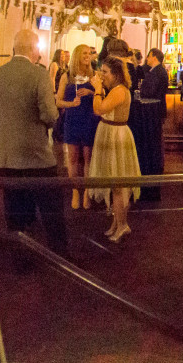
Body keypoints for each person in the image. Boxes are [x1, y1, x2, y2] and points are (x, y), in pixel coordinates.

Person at [0, 29, 66, 256]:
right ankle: (59, 254)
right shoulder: (39, 74)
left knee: (15, 209)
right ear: (33, 49)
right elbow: (50, 115)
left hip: (7, 155)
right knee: (51, 208)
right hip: (36, 154)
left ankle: (19, 257)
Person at [88, 56, 140, 242]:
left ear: (116, 74)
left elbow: (98, 109)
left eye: (105, 72)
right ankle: (116, 223)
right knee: (114, 184)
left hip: (116, 136)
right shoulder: (115, 90)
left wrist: (97, 89)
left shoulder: (119, 91)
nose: (102, 75)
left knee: (119, 185)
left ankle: (123, 224)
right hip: (109, 132)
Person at [56, 43, 100, 210]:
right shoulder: (66, 77)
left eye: (89, 53)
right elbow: (58, 101)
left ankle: (87, 191)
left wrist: (91, 92)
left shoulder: (94, 75)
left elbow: (102, 95)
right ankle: (75, 191)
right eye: (84, 54)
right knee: (73, 158)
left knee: (88, 157)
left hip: (89, 119)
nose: (88, 56)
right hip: (72, 119)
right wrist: (71, 104)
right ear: (77, 56)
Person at [136, 48, 168, 200]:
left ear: (154, 57)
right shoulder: (157, 71)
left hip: (153, 112)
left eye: (148, 56)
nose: (147, 59)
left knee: (154, 141)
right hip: (156, 110)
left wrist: (141, 91)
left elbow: (150, 91)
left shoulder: (158, 72)